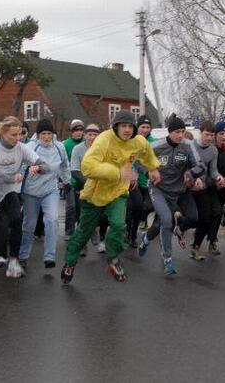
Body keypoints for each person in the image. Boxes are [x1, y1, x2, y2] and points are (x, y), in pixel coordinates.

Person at [61, 110, 160, 284]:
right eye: (123, 126)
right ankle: (69, 262)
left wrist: (153, 168)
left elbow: (147, 152)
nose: (127, 130)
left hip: (118, 193)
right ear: (115, 127)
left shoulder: (138, 141)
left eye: (130, 126)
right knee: (83, 233)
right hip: (95, 195)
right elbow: (87, 166)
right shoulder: (104, 139)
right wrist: (118, 173)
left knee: (118, 224)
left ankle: (113, 259)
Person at [0, 116, 44, 278]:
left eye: (20, 134)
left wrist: (37, 166)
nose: (18, 138)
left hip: (9, 192)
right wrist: (10, 178)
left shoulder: (21, 147)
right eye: (13, 135)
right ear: (3, 134)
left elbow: (42, 163)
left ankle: (13, 262)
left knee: (16, 220)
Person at [138, 116, 204, 275]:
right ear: (169, 132)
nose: (180, 135)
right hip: (159, 189)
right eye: (177, 132)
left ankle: (146, 238)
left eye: (182, 131)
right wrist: (149, 172)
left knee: (193, 218)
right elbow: (137, 160)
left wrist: (191, 173)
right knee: (166, 222)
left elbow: (200, 165)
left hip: (180, 190)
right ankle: (167, 259)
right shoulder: (156, 145)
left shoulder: (188, 145)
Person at [20, 119, 71, 270]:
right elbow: (20, 166)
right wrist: (27, 170)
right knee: (29, 225)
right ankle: (23, 256)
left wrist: (67, 182)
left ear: (53, 134)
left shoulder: (59, 147)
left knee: (52, 220)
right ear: (38, 134)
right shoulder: (30, 147)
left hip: (50, 191)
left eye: (49, 133)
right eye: (43, 133)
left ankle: (49, 256)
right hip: (31, 192)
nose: (47, 137)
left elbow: (64, 165)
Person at [189, 121, 225, 259]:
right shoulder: (190, 146)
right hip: (188, 188)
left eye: (211, 135)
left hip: (203, 188)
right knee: (191, 218)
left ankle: (195, 247)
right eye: (206, 135)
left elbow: (213, 170)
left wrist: (219, 178)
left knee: (206, 218)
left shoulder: (213, 150)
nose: (209, 138)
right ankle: (179, 228)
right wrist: (193, 177)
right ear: (200, 132)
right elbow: (184, 167)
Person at [69, 124, 104, 255]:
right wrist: (89, 184)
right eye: (89, 134)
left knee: (98, 215)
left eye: (95, 135)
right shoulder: (78, 149)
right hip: (81, 185)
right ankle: (82, 245)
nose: (92, 137)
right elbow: (75, 171)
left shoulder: (102, 149)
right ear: (85, 135)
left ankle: (97, 235)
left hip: (99, 186)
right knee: (81, 216)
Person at [126, 115, 155, 249]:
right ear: (138, 127)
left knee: (141, 207)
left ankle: (132, 234)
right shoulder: (131, 141)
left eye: (148, 127)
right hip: (129, 179)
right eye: (143, 127)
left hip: (146, 182)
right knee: (131, 207)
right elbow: (130, 161)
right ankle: (127, 233)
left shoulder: (153, 142)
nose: (145, 130)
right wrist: (132, 176)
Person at [62, 119, 85, 237]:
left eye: (81, 130)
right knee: (71, 207)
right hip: (70, 180)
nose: (79, 133)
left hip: (83, 180)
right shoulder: (65, 144)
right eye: (76, 130)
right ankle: (69, 232)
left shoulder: (87, 143)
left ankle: (81, 231)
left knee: (82, 207)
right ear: (71, 132)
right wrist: (62, 180)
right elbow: (61, 163)